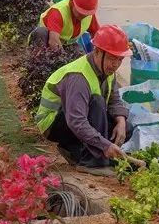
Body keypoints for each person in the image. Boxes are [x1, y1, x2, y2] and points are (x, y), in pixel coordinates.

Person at [36, 25, 133, 172]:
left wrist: (120, 122)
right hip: (54, 124)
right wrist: (105, 145)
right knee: (97, 102)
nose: (116, 64)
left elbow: (114, 100)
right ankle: (92, 162)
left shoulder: (108, 70)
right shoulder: (78, 77)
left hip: (76, 119)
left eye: (120, 59)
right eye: (112, 58)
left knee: (126, 127)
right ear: (97, 52)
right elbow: (76, 121)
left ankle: (75, 150)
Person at [30, 0, 101, 49]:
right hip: (46, 41)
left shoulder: (90, 15)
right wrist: (63, 60)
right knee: (41, 32)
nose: (83, 16)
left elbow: (97, 35)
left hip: (66, 45)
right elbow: (53, 42)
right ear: (73, 3)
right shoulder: (58, 12)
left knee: (79, 52)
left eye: (86, 14)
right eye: (80, 12)